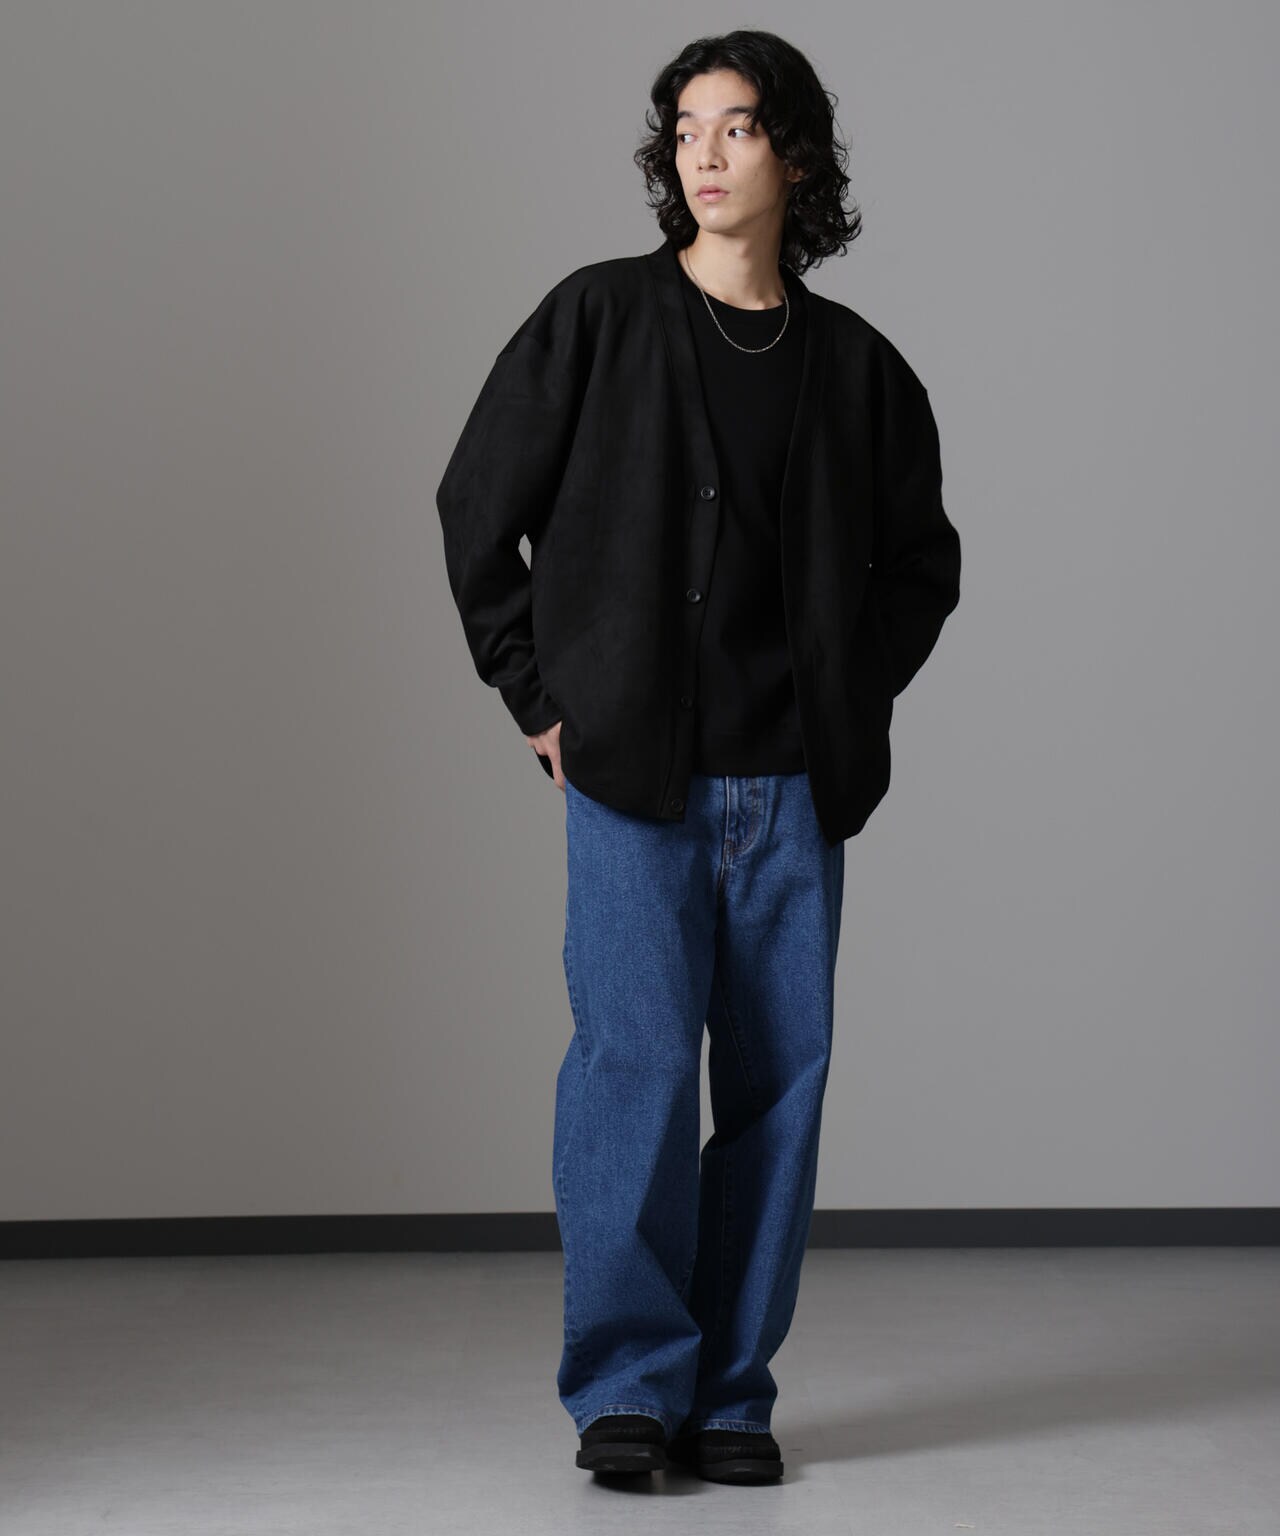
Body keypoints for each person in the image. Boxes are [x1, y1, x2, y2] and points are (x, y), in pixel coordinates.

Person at [436, 29, 961, 1486]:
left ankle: (731, 1393)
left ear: (795, 153)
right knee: (639, 1070)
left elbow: (922, 565)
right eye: (684, 129)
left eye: (736, 127)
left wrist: (844, 696)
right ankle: (627, 1383)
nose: (705, 154)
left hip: (794, 791)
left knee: (781, 1088)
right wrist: (537, 694)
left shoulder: (859, 371)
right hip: (633, 785)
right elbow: (477, 506)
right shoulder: (598, 319)